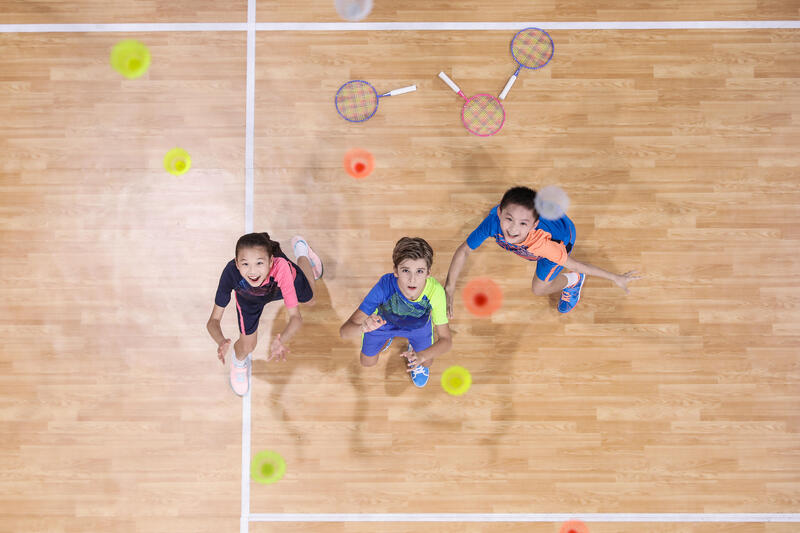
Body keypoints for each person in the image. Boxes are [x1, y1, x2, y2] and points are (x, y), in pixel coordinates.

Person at [445, 186, 640, 318]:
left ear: (534, 224)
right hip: (542, 227)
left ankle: (574, 281)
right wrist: (450, 288)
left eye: (523, 223)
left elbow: (575, 264)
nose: (512, 229)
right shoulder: (492, 222)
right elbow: (464, 251)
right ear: (499, 212)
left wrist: (614, 277)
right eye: (509, 218)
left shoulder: (543, 244)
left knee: (538, 289)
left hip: (562, 238)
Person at [207, 232, 322, 395]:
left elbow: (296, 318)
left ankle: (302, 252)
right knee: (248, 345)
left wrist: (282, 339)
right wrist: (220, 341)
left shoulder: (281, 268)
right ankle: (238, 363)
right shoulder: (230, 273)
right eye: (245, 264)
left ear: (270, 262)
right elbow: (213, 321)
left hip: (280, 286)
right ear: (237, 264)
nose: (252, 271)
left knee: (310, 300)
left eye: (259, 263)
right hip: (250, 300)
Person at [340, 237, 452, 388]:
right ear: (396, 271)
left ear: (428, 273)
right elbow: (344, 332)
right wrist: (363, 328)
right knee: (367, 362)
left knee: (427, 362)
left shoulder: (436, 292)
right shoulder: (384, 286)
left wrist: (421, 356)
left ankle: (414, 349)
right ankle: (387, 338)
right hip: (383, 324)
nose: (412, 279)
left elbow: (446, 340)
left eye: (419, 271)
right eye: (406, 270)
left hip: (418, 327)